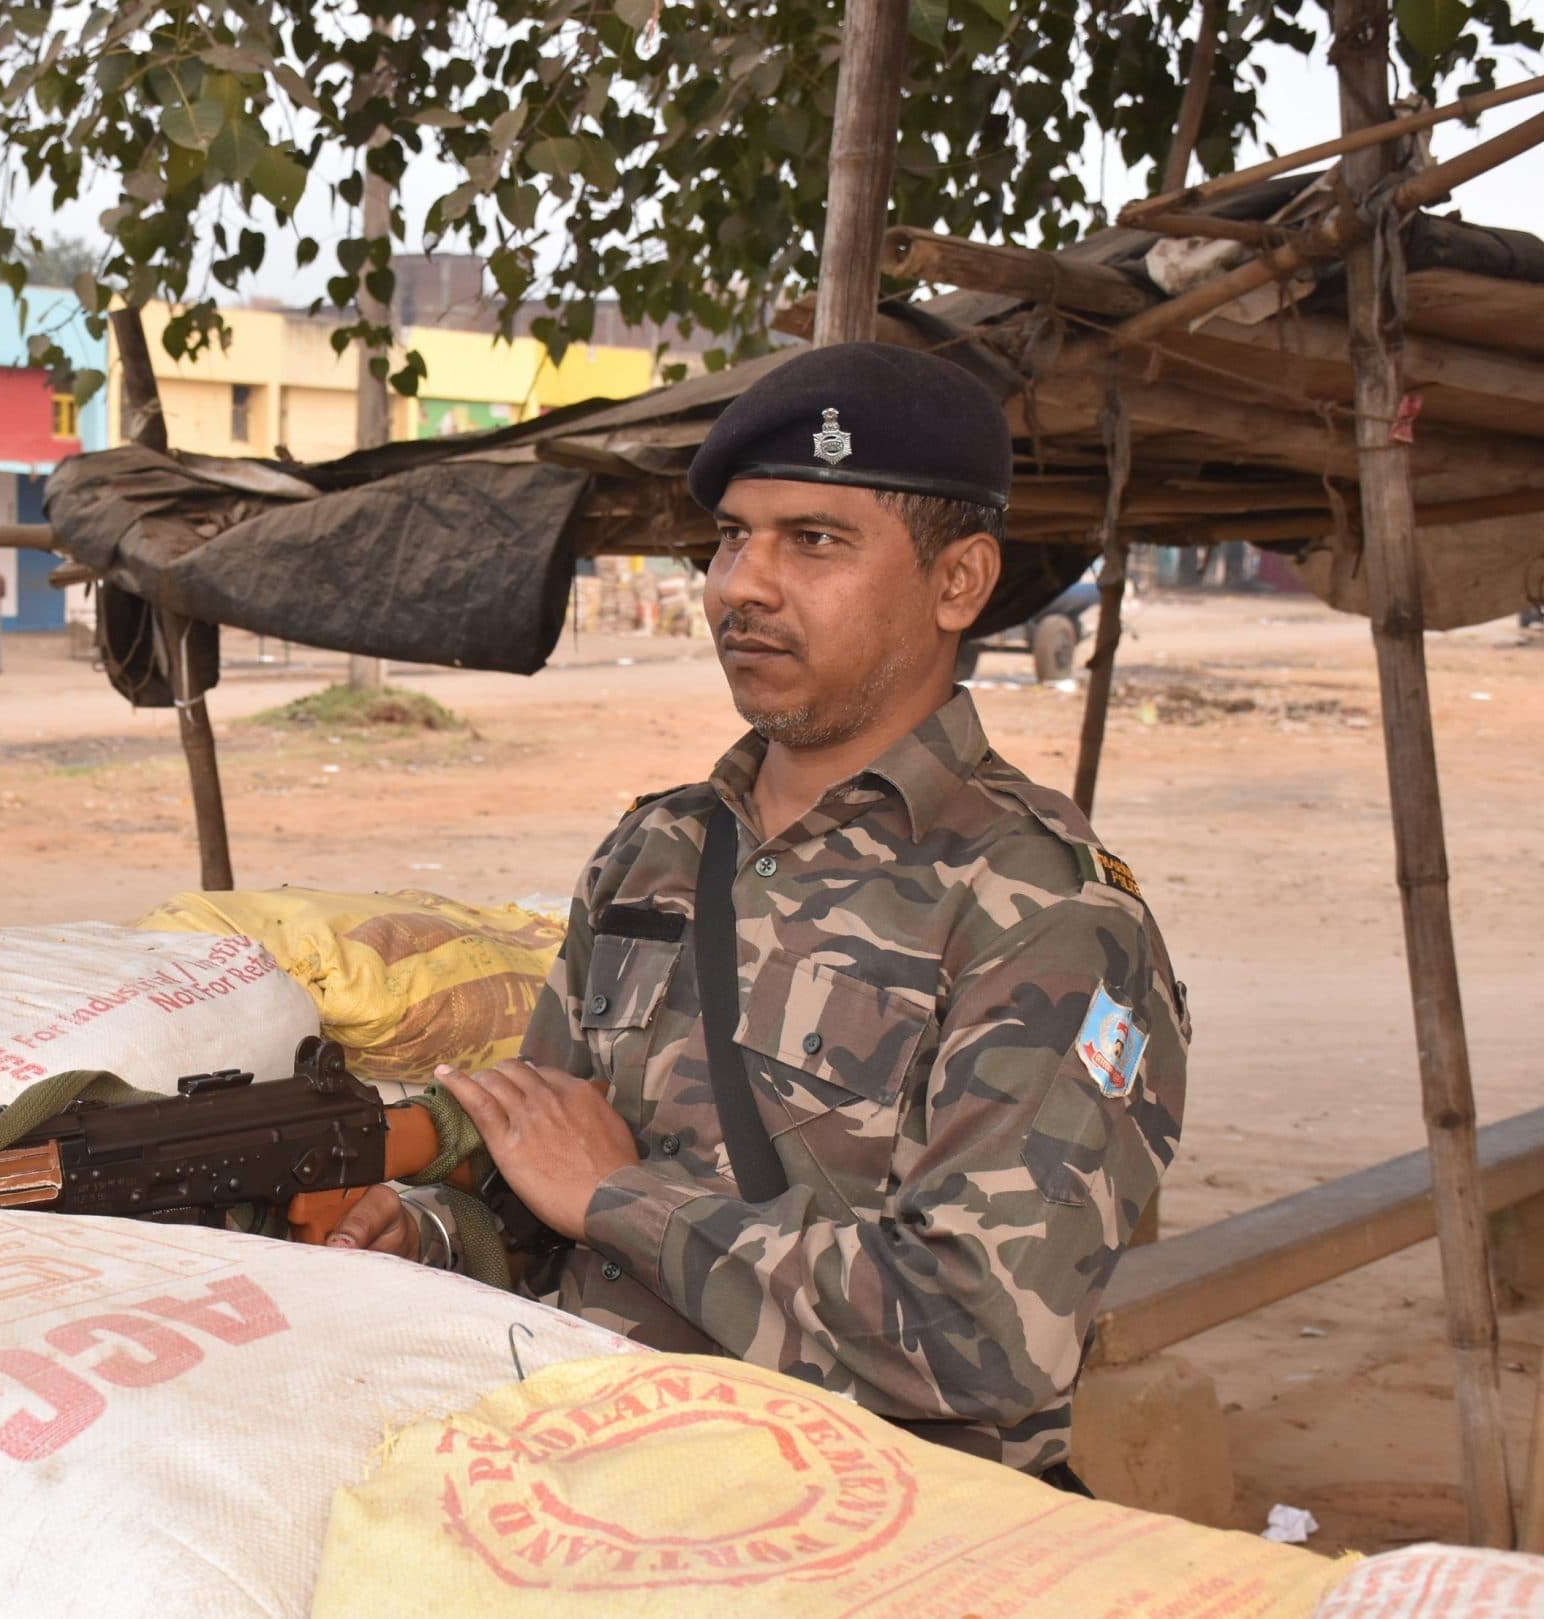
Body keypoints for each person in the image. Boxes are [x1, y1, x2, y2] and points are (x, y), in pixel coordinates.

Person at [329, 342, 1188, 1485]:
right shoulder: (655, 849)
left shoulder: (1049, 914)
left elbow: (986, 1334)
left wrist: (625, 1200)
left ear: (958, 582)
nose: (741, 583)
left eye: (814, 540)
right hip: (599, 1484)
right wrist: (430, 1231)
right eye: (732, 536)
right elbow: (540, 1176)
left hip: (868, 1539)